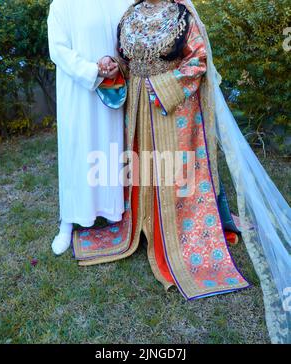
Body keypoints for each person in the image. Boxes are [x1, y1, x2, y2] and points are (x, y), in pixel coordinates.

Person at [72, 0, 291, 343]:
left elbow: (197, 61)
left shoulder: (182, 15)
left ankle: (179, 238)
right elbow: (127, 61)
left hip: (174, 109)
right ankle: (143, 223)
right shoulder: (131, 14)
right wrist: (114, 67)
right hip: (139, 110)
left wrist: (163, 86)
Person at [47, 0, 132, 255]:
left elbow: (129, 40)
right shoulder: (62, 5)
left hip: (112, 90)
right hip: (78, 93)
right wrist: (93, 70)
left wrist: (118, 63)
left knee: (110, 151)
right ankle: (69, 221)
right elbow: (58, 50)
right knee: (77, 153)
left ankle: (113, 211)